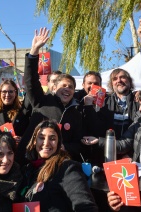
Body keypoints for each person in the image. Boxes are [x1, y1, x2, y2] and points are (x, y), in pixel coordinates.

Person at [16, 28, 83, 164]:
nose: (67, 89)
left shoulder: (76, 115)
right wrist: (34, 51)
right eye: (63, 86)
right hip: (29, 162)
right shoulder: (42, 101)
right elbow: (31, 80)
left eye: (70, 87)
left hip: (56, 166)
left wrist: (65, 147)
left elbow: (79, 144)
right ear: (54, 87)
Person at [19, 120, 98, 211]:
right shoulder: (27, 170)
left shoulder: (67, 168)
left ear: (58, 144)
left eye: (52, 139)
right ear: (34, 141)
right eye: (41, 137)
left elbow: (86, 207)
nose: (46, 143)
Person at [13, 70, 62, 136]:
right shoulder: (39, 99)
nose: (56, 84)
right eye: (54, 81)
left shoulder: (69, 104)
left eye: (59, 82)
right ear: (48, 83)